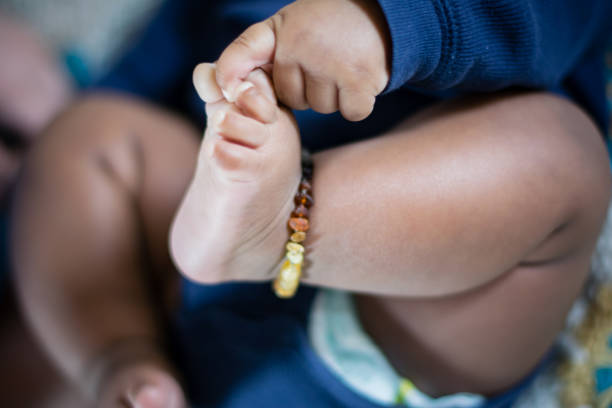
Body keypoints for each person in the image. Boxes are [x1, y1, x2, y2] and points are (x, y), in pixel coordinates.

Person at [11, 0, 612, 407]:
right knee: (86, 134)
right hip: (193, 277)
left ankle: (280, 227)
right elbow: (138, 91)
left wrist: (388, 29)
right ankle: (116, 356)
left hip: (408, 319)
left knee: (558, 159)